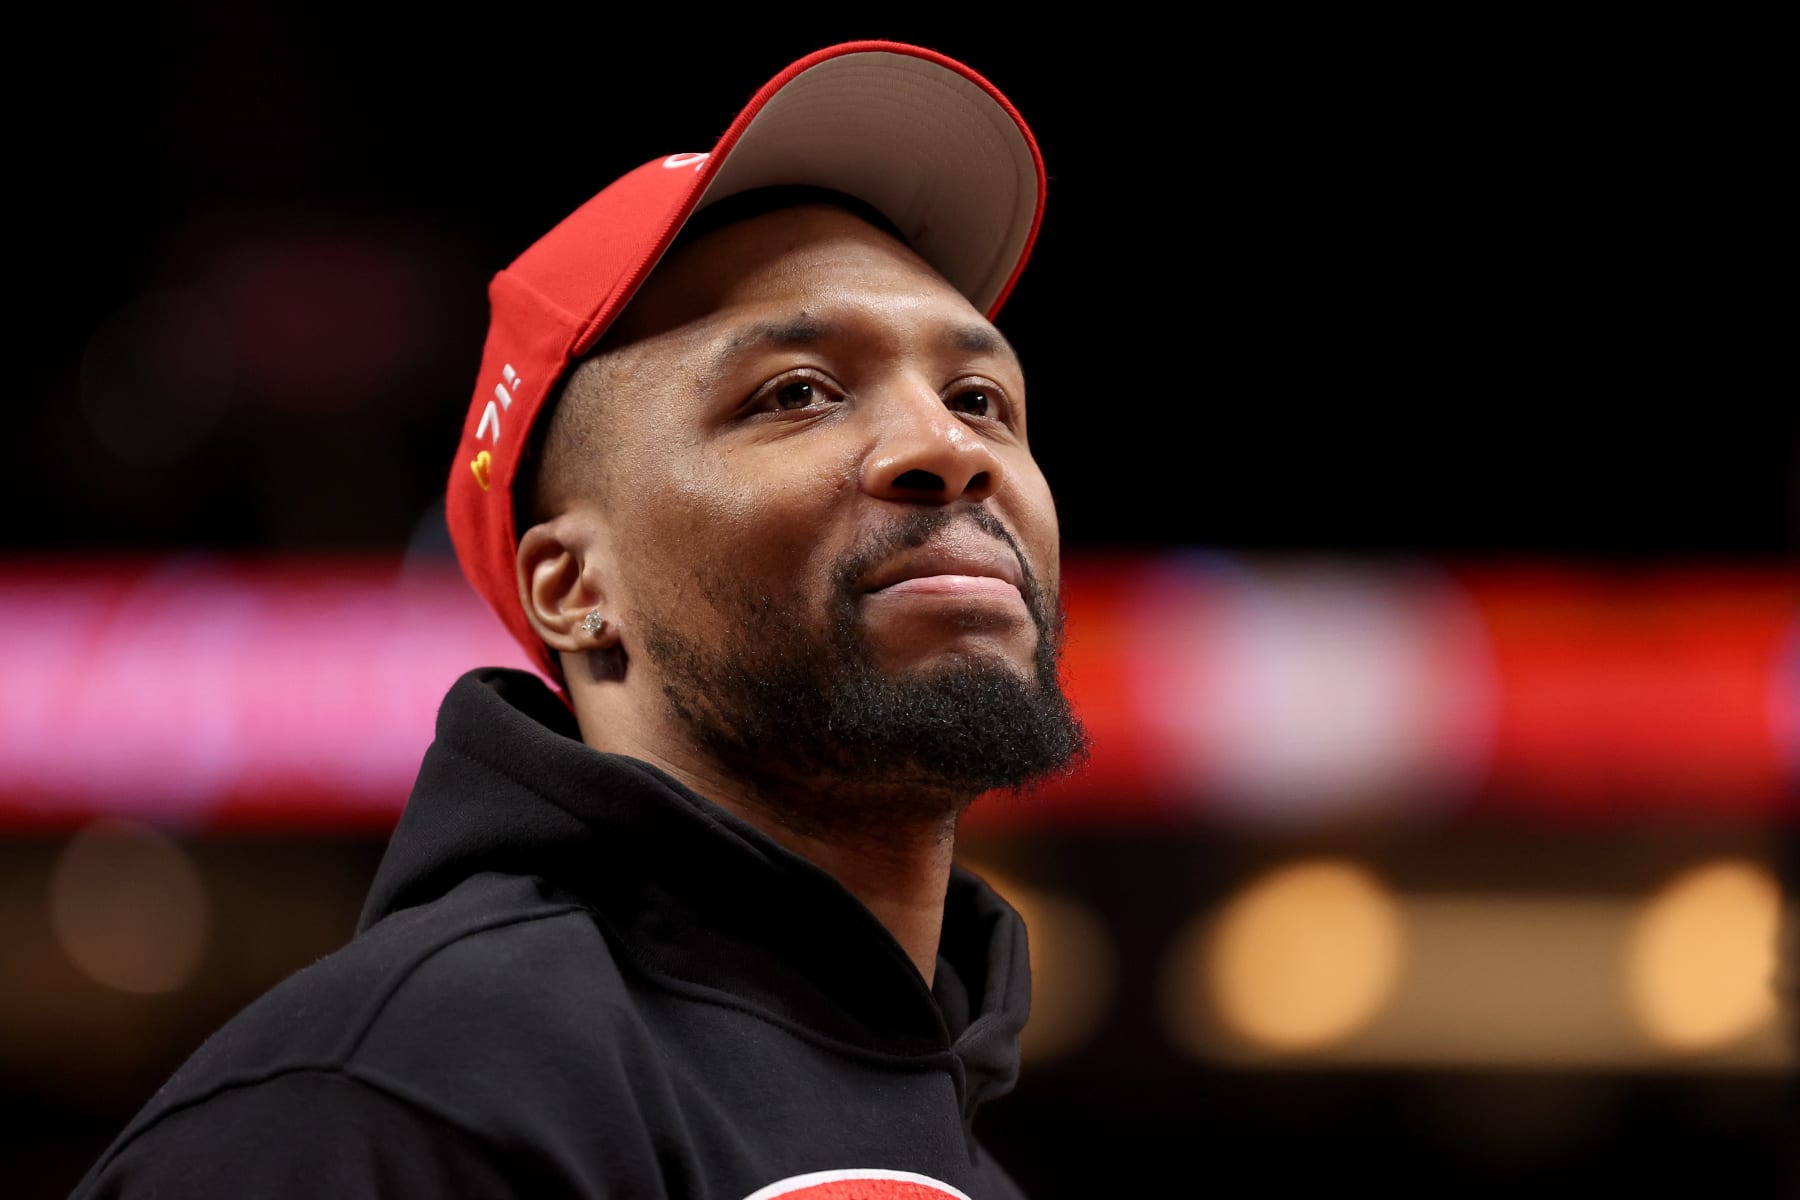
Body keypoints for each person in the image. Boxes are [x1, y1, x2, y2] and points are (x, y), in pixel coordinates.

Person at [69, 39, 1088, 1200]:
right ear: (573, 589)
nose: (949, 450)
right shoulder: (373, 1101)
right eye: (795, 391)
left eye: (980, 398)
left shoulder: (963, 1153)